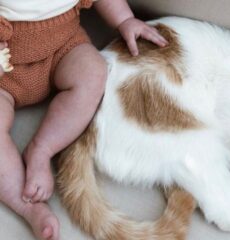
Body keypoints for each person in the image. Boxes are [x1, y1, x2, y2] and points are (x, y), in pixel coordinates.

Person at [0, 0, 168, 239]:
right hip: (5, 74)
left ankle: (42, 149)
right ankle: (28, 206)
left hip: (63, 49)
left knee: (93, 72)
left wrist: (125, 20)